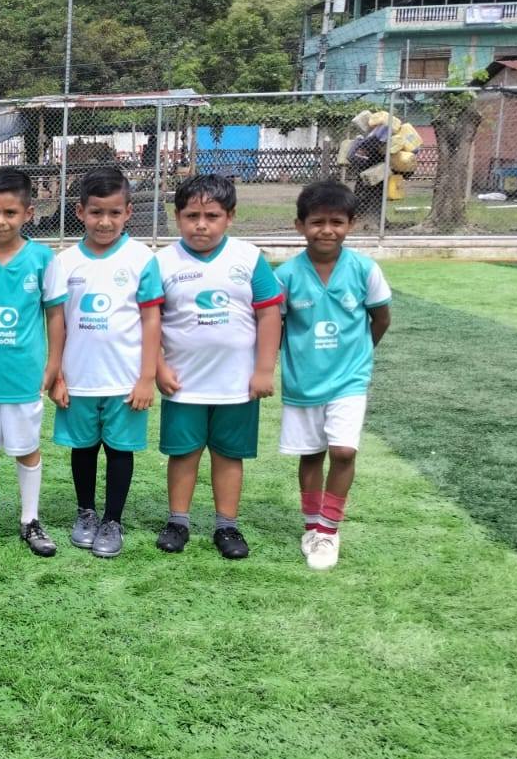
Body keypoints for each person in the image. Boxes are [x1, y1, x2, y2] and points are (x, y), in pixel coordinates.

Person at [153, 174, 283, 559]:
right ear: (177, 217)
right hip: (183, 382)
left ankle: (227, 525)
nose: (201, 225)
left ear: (230, 216)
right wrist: (158, 366)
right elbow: (150, 321)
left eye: (212, 216)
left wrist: (264, 370)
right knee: (184, 453)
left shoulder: (249, 258)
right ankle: (178, 521)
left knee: (228, 454)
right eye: (191, 216)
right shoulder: (162, 262)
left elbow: (269, 314)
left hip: (236, 384)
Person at [44, 166, 163, 560]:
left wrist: (147, 377)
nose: (105, 221)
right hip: (78, 378)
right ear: (80, 212)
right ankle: (86, 513)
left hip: (125, 381)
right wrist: (58, 375)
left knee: (119, 450)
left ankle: (112, 520)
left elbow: (151, 321)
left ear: (128, 212)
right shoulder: (64, 262)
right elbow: (57, 323)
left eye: (114, 212)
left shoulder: (141, 258)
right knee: (83, 448)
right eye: (96, 212)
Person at [277, 179, 392, 571]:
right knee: (311, 454)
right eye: (317, 222)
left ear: (351, 224)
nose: (327, 230)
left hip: (349, 379)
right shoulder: (286, 275)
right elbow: (275, 327)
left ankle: (328, 531)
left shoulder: (364, 269)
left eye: (337, 222)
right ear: (300, 225)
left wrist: (358, 356)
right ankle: (311, 526)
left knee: (343, 451)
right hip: (304, 381)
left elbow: (381, 318)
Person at [0, 167, 67, 556]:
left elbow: (55, 315)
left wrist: (54, 366)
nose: (0, 221)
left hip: (24, 377)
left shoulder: (42, 258)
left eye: (10, 213)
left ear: (28, 213)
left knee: (26, 447)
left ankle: (30, 520)